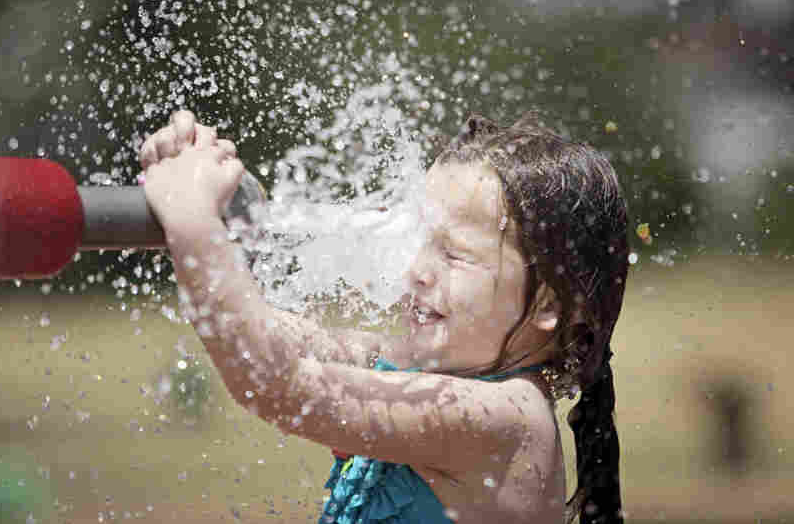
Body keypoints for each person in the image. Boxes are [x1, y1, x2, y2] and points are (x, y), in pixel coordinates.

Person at [140, 109, 629, 524]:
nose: (416, 271)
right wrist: (199, 218)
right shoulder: (418, 368)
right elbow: (263, 336)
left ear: (548, 304)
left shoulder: (506, 419)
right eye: (419, 242)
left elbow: (280, 385)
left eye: (454, 255)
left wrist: (192, 221)